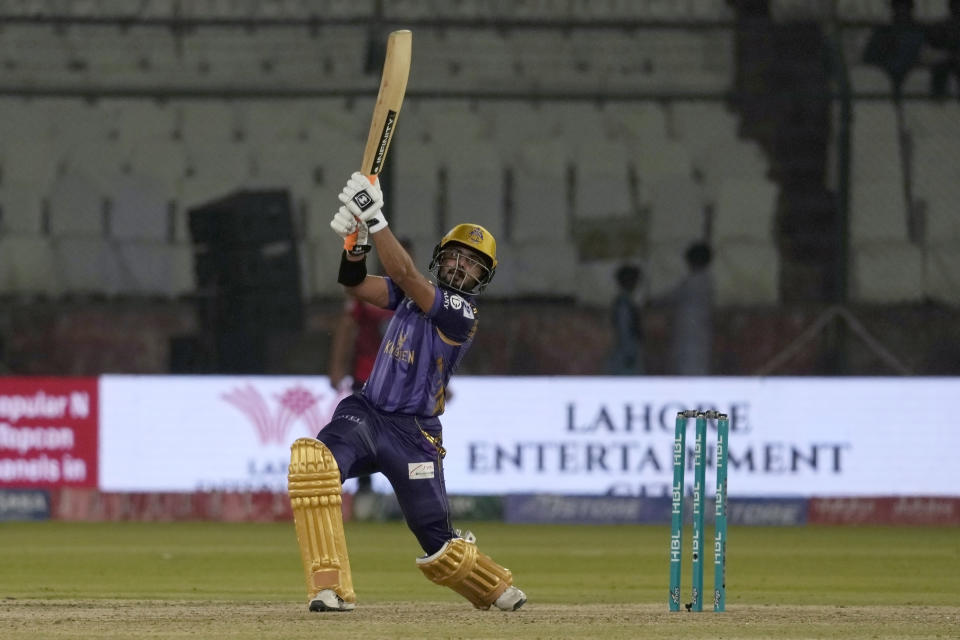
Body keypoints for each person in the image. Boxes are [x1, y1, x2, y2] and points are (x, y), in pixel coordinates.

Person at [287, 172, 526, 613]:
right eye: (455, 256)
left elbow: (401, 269)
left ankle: (493, 586)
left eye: (472, 263)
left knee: (439, 545)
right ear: (441, 258)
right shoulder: (409, 294)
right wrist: (354, 241)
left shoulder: (462, 313)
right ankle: (330, 589)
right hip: (366, 414)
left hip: (414, 434)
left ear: (483, 277)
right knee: (313, 468)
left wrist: (374, 217)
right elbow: (356, 284)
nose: (460, 266)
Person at [327, 237, 414, 498]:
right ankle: (365, 495)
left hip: (404, 383)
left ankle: (411, 499)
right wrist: (337, 367)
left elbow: (428, 344)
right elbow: (347, 327)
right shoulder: (369, 292)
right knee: (363, 435)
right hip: (368, 377)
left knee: (408, 440)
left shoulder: (418, 295)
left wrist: (441, 381)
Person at [665, 242, 714, 376]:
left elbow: (671, 296)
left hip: (691, 335)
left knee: (689, 369)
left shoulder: (694, 282)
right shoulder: (704, 281)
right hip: (694, 334)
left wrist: (651, 302)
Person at [862, 0, 927, 95]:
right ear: (894, 10)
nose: (902, 12)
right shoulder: (883, 31)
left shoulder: (920, 31)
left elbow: (928, 52)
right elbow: (868, 56)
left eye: (904, 9)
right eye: (899, 9)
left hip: (915, 75)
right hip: (884, 73)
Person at [607, 263, 644, 375]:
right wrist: (629, 352)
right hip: (627, 350)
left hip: (628, 348)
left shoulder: (626, 301)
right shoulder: (624, 303)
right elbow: (624, 329)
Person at [926, 0, 960, 100]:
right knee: (940, 67)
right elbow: (934, 45)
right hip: (945, 59)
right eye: (956, 6)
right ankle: (938, 98)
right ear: (951, 7)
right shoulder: (941, 25)